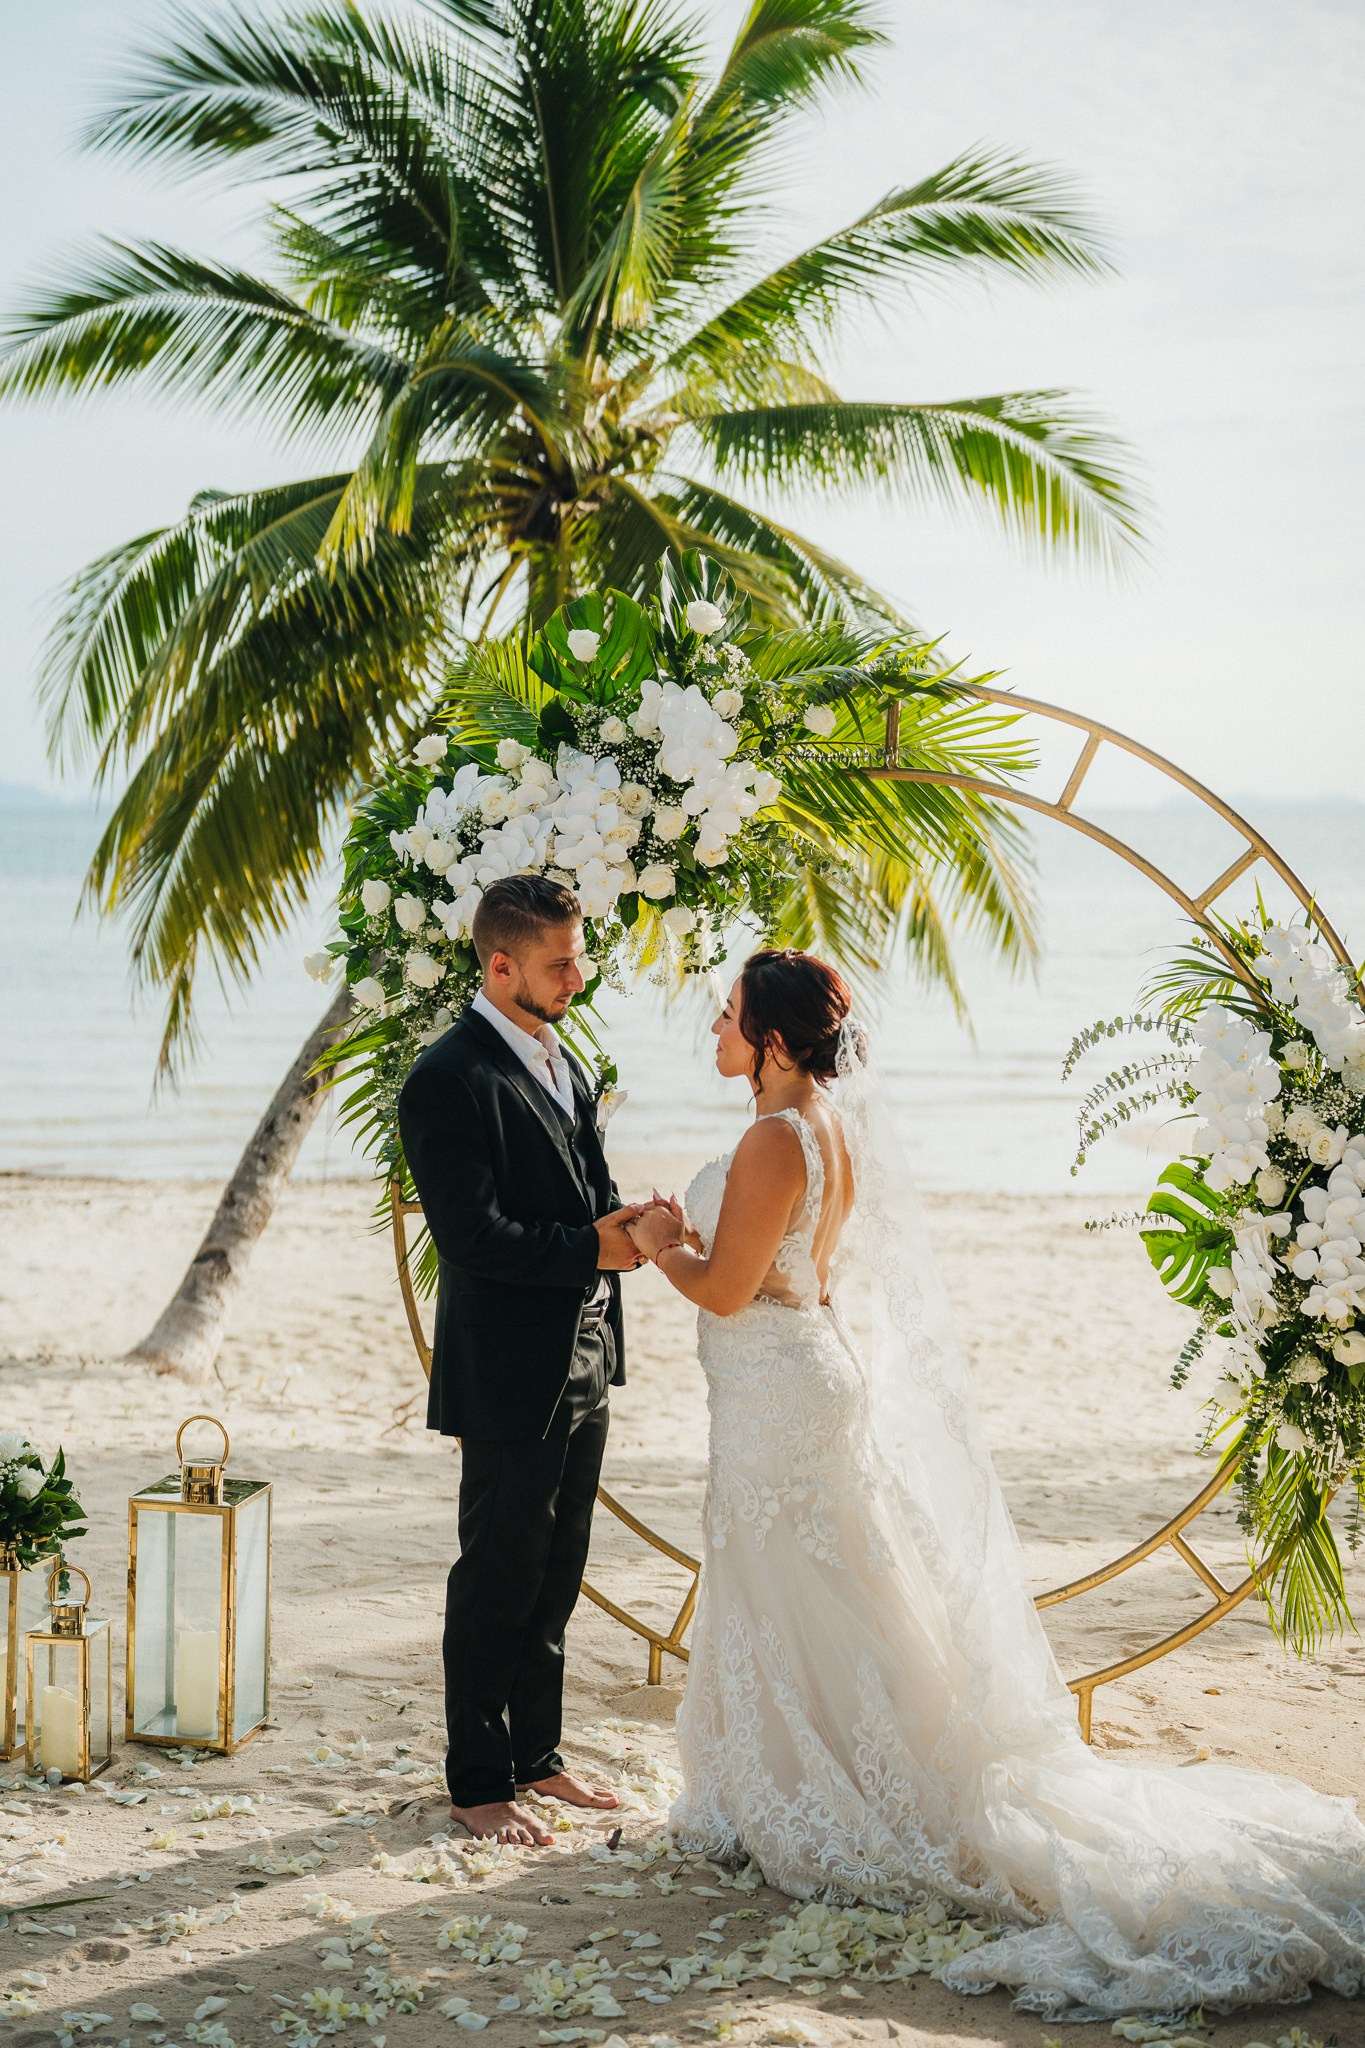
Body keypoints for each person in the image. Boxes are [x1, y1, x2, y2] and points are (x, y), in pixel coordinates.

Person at [626, 946, 1365, 2021]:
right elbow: (799, 1270)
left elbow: (734, 1291)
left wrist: (659, 1243)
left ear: (774, 1040)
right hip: (801, 1375)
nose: (715, 1030)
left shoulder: (772, 1135)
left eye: (728, 1015)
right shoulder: (828, 1126)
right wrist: (702, 1236)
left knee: (798, 1588)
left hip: (776, 1391)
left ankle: (815, 1792)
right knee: (829, 1590)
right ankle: (789, 1771)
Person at [398, 875, 647, 1847]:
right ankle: (477, 1779)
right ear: (500, 966)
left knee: (558, 1569)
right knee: (497, 1573)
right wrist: (593, 1248)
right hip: (506, 1369)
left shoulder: (558, 1053)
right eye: (561, 962)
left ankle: (538, 1756)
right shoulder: (446, 1077)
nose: (578, 977)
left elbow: (589, 1189)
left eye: (578, 957)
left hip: (585, 1352)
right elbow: (472, 1236)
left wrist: (627, 1227)